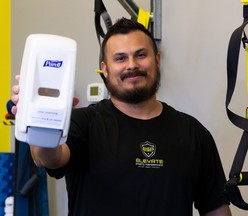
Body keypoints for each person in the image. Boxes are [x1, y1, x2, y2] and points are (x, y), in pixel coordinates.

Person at [11, 18, 232, 216]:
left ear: (157, 60)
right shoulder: (85, 123)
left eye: (141, 55)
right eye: (120, 58)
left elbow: (216, 208)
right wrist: (41, 118)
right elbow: (47, 158)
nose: (131, 65)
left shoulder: (193, 133)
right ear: (105, 69)